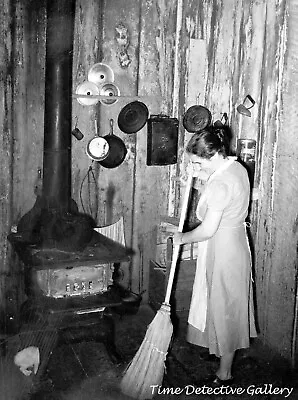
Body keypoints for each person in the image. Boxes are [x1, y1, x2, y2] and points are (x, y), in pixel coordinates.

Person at [173, 127, 257, 385]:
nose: (195, 166)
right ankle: (221, 353)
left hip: (223, 249)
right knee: (221, 303)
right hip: (234, 244)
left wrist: (182, 238)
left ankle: (225, 372)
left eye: (197, 162)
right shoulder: (236, 168)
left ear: (212, 156)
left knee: (226, 309)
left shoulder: (220, 182)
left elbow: (208, 228)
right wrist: (199, 175)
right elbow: (221, 194)